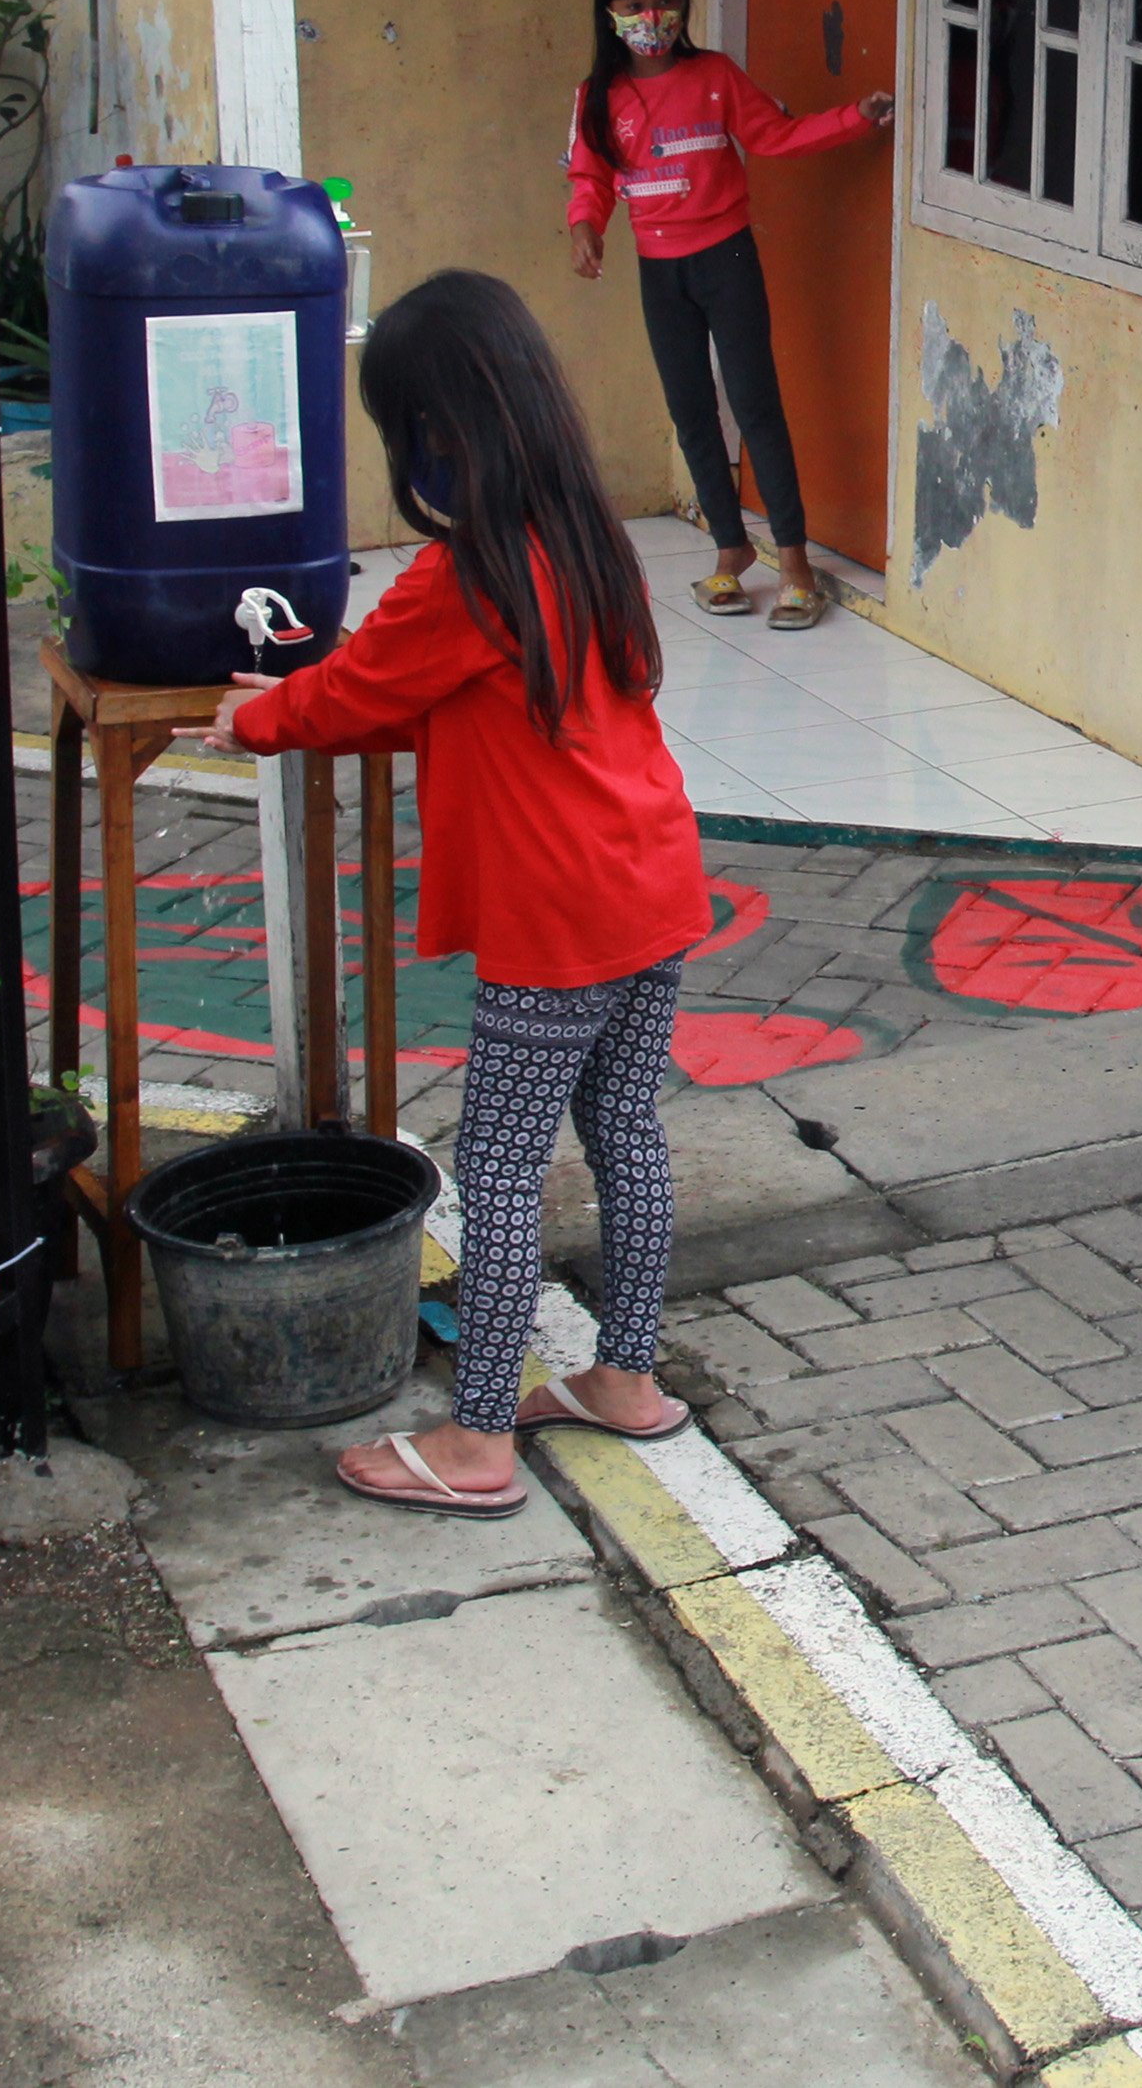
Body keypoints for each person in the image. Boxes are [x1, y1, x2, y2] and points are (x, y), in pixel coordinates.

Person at [201, 270, 710, 1518]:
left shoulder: (464, 574)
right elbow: (450, 698)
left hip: (558, 920)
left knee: (497, 1165)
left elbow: (355, 688)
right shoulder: (584, 539)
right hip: (649, 881)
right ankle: (626, 1378)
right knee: (626, 1131)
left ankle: (481, 1438)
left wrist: (250, 720)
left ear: (435, 431)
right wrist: (310, 703)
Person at [564, 0, 894, 631]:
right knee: (690, 411)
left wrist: (854, 119)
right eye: (634, 4)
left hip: (727, 258)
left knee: (754, 404)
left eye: (664, 1)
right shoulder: (597, 98)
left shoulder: (713, 76)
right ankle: (730, 547)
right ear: (609, 13)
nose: (651, 16)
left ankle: (795, 563)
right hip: (660, 271)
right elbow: (590, 177)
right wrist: (584, 227)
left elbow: (775, 135)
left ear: (684, 4)